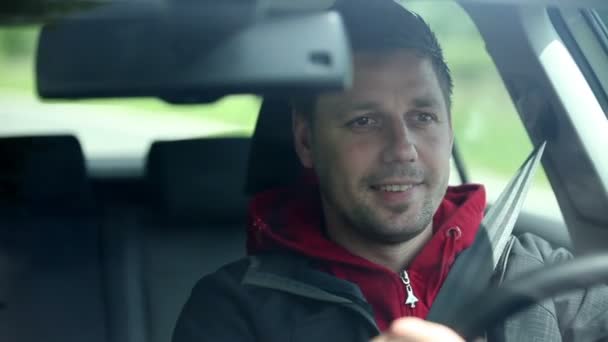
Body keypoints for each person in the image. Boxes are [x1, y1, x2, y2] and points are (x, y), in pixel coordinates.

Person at [173, 1, 608, 341]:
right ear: (306, 141)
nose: (402, 149)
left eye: (422, 117)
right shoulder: (234, 310)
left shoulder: (541, 278)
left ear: (449, 126)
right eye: (364, 121)